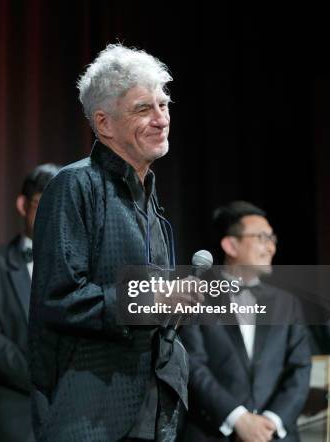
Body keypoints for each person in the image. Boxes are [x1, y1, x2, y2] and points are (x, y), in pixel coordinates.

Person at [29, 44, 193, 442]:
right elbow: (58, 299)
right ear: (104, 124)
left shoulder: (150, 198)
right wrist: (149, 300)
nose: (161, 119)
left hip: (154, 411)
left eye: (164, 104)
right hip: (91, 414)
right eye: (143, 109)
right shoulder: (74, 185)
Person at [179, 201, 312, 442]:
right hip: (214, 432)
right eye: (262, 237)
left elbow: (300, 369)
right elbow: (191, 365)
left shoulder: (287, 303)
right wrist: (237, 418)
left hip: (275, 435)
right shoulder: (196, 296)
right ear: (230, 244)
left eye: (273, 239)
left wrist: (271, 421)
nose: (270, 247)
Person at [0, 163, 60, 442]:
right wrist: (44, 378)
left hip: (72, 415)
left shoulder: (80, 267)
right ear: (22, 205)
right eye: (42, 204)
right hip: (14, 416)